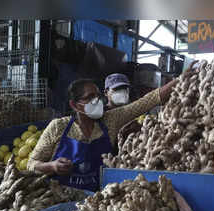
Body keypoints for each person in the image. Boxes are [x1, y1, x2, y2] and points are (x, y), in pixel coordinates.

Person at [27, 62, 197, 192]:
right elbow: (31, 163)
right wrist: (52, 166)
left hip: (97, 198)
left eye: (99, 96)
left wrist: (180, 79)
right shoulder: (58, 127)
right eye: (90, 97)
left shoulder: (111, 120)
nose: (97, 101)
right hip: (59, 199)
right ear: (75, 105)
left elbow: (147, 101)